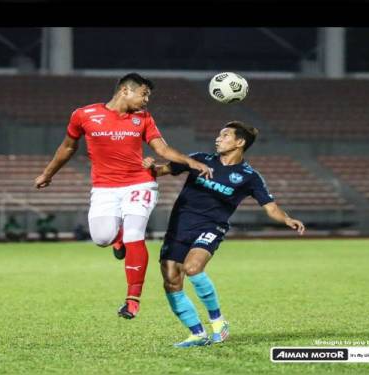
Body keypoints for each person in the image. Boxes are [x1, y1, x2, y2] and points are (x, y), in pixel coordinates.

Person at [34, 73, 213, 319]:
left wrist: (189, 162)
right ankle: (116, 238)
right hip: (104, 187)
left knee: (135, 234)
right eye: (144, 93)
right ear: (125, 91)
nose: (147, 100)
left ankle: (132, 300)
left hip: (139, 183)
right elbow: (67, 147)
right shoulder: (83, 115)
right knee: (101, 238)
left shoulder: (144, 118)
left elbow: (161, 148)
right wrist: (48, 173)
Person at [142, 121, 305, 347]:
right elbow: (161, 171)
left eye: (225, 135)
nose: (218, 139)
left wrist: (287, 219)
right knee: (171, 280)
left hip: (211, 226)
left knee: (192, 268)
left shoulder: (249, 176)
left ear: (240, 142)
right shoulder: (200, 159)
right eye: (219, 135)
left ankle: (218, 322)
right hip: (179, 225)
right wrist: (150, 166)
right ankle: (197, 334)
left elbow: (270, 207)